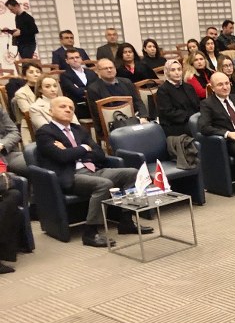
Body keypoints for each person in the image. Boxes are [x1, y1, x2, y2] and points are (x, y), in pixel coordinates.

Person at [35, 96, 152, 247]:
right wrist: (84, 148)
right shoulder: (45, 132)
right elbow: (61, 157)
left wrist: (73, 151)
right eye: (62, 107)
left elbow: (99, 154)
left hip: (93, 169)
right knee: (104, 184)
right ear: (51, 111)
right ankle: (90, 232)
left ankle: (126, 221)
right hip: (70, 175)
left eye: (71, 108)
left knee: (132, 173)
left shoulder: (78, 129)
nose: (68, 110)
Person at [155, 59, 200, 168]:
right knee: (198, 129)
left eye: (179, 69)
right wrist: (190, 117)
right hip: (174, 125)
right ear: (167, 72)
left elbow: (197, 105)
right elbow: (168, 112)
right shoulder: (163, 90)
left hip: (191, 121)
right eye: (173, 70)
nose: (177, 72)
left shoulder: (188, 87)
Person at [59, 48, 98, 119]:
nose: (75, 60)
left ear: (81, 59)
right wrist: (91, 90)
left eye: (77, 57)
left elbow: (99, 88)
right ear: (67, 61)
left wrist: (83, 90)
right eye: (71, 58)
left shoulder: (91, 72)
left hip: (95, 104)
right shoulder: (65, 75)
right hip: (80, 107)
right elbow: (76, 92)